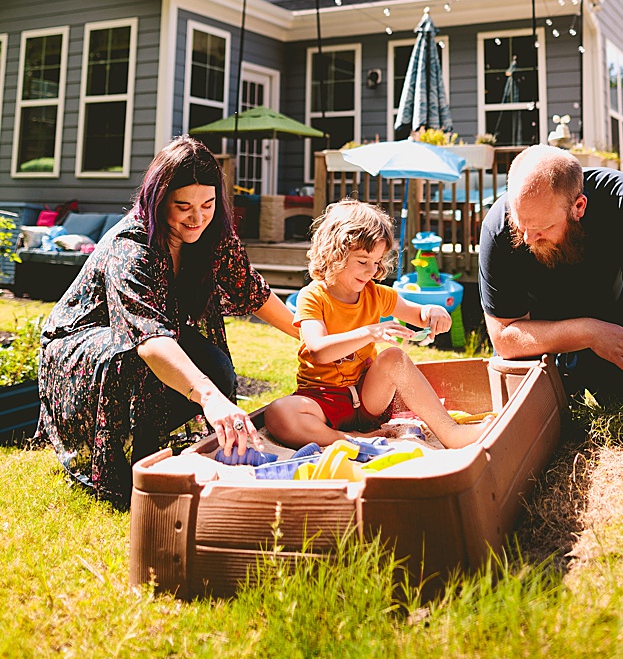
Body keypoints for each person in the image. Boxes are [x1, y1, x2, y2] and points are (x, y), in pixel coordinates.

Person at [38, 136, 300, 508]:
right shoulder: (131, 246)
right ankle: (127, 475)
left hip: (149, 337)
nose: (197, 218)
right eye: (183, 206)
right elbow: (147, 339)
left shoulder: (212, 236)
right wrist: (209, 399)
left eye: (207, 204)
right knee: (139, 360)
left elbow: (252, 292)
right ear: (159, 200)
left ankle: (168, 453)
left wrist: (312, 339)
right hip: (83, 348)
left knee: (215, 367)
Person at [262, 200, 483, 450]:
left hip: (368, 398)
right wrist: (370, 332)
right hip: (322, 400)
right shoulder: (313, 296)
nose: (371, 271)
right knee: (278, 413)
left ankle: (450, 432)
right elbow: (318, 350)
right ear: (335, 253)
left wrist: (433, 312)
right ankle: (353, 440)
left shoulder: (376, 294)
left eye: (377, 262)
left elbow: (417, 314)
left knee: (394, 356)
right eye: (363, 261)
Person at [479, 145, 623, 408]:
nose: (527, 238)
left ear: (579, 207)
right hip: (537, 343)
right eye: (521, 223)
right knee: (533, 432)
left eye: (542, 227)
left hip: (614, 328)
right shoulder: (498, 228)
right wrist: (587, 332)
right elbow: (505, 338)